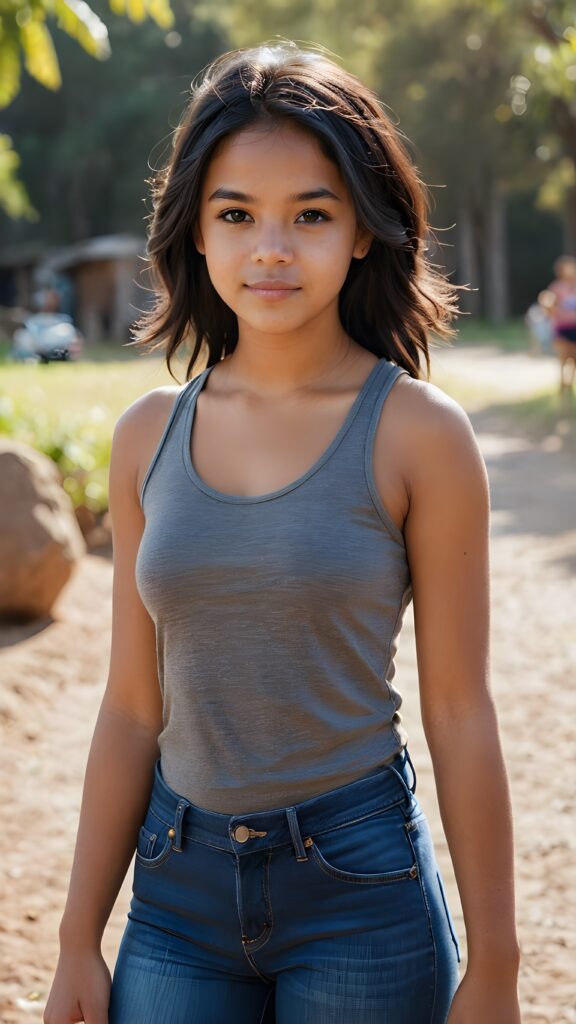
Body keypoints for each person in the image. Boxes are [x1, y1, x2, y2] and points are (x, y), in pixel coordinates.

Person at [43, 41, 521, 1024]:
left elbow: (462, 709)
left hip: (359, 885)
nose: (271, 247)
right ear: (197, 232)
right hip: (175, 893)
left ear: (360, 230)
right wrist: (75, 939)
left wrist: (499, 966)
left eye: (310, 213)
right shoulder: (145, 435)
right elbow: (133, 706)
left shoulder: (421, 434)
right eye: (237, 214)